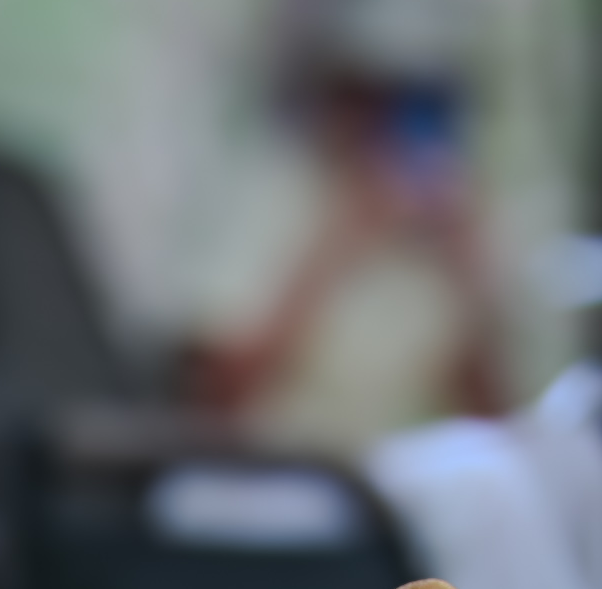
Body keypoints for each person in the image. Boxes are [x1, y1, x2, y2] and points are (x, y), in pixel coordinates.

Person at [187, 47, 513, 455]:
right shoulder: (273, 194)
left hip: (374, 489)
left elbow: (494, 427)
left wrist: (470, 276)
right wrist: (337, 246)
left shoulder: (433, 246)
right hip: (259, 477)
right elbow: (215, 399)